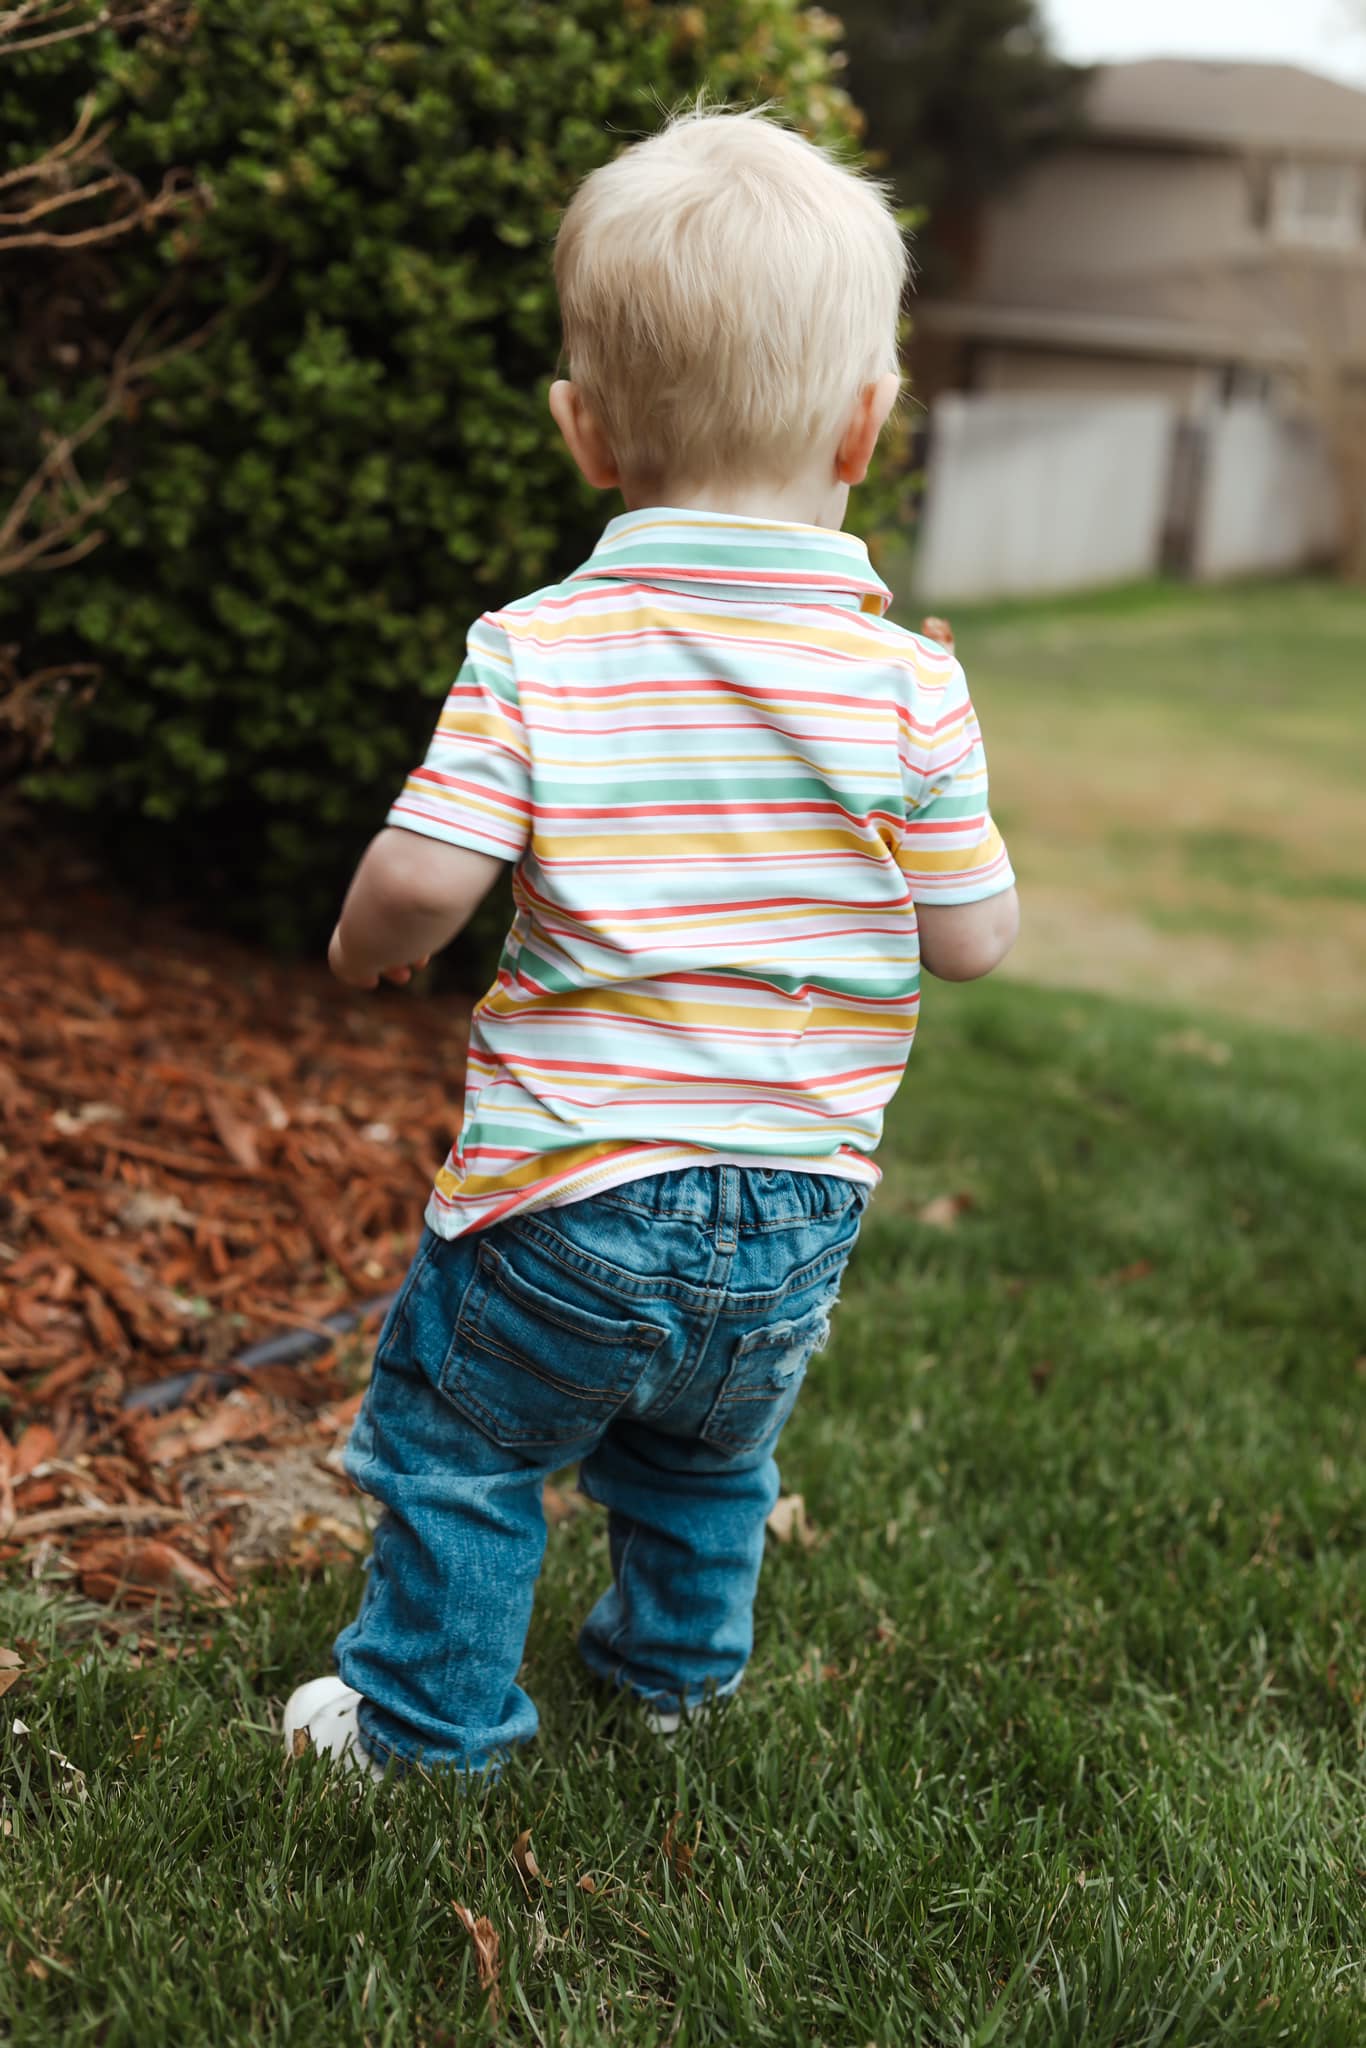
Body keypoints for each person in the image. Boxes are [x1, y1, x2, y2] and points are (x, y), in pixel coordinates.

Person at [283, 107, 1018, 1781]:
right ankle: (676, 1675)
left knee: (457, 1446)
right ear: (867, 422)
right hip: (796, 1217)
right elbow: (972, 940)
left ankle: (422, 1723)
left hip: (567, 1203)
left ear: (584, 432)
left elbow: (416, 883)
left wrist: (364, 951)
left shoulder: (540, 650)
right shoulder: (910, 681)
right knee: (703, 1457)